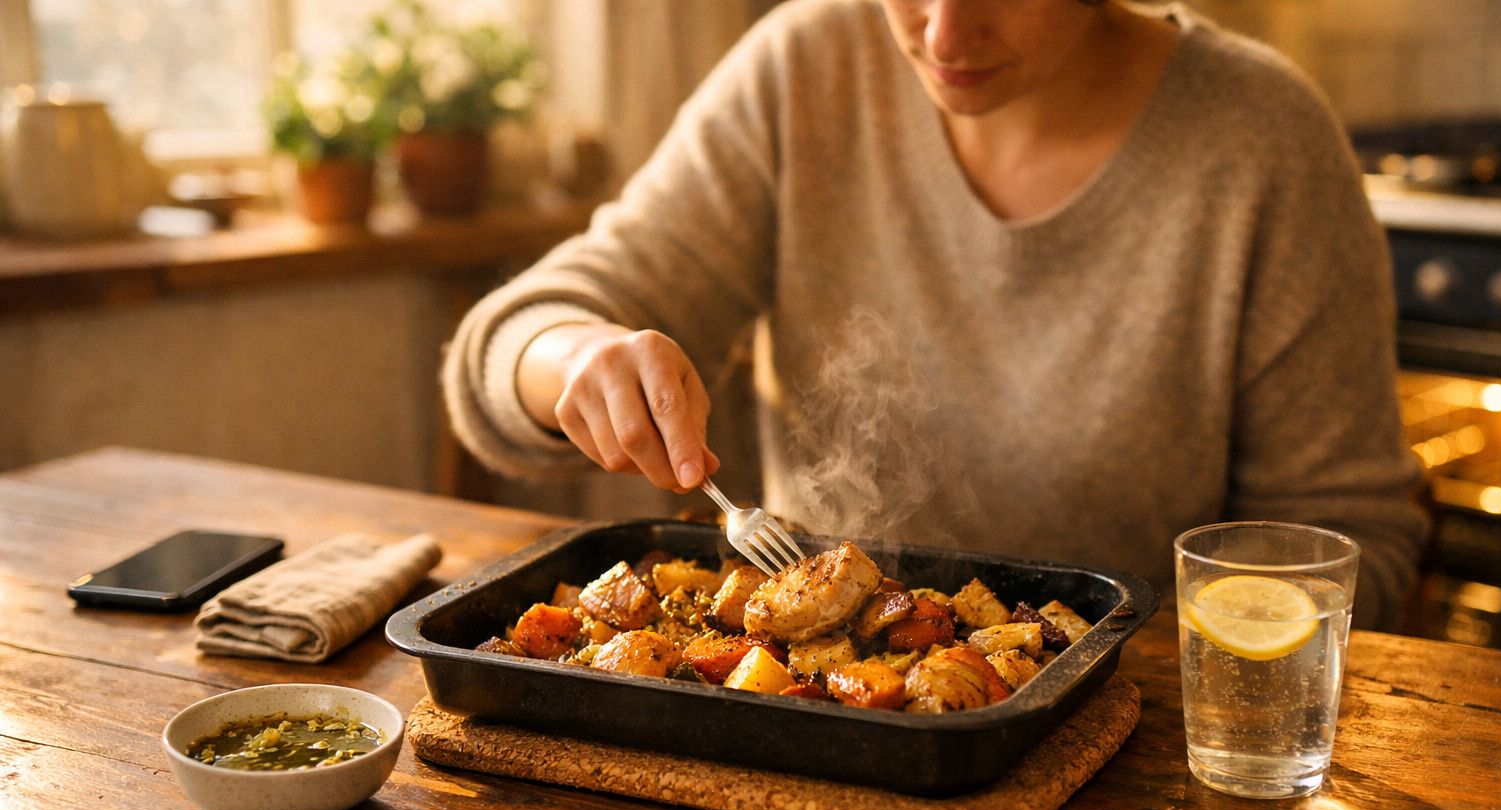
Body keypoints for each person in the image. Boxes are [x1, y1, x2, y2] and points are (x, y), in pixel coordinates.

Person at [443, 0, 1427, 631]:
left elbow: (1350, 546)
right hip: (814, 738)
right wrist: (571, 353)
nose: (945, 37)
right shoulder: (806, 66)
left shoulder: (1263, 140)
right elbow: (513, 342)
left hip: (1135, 778)